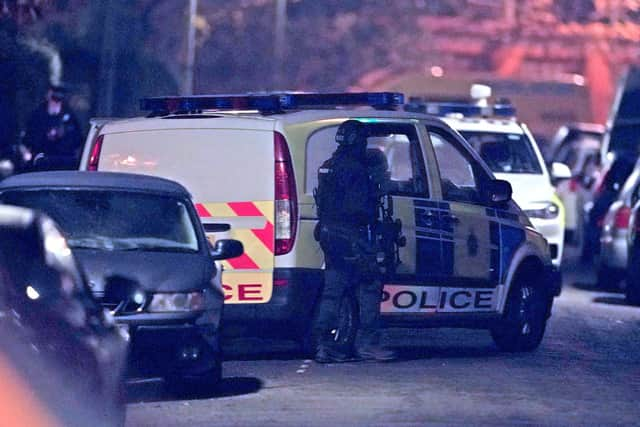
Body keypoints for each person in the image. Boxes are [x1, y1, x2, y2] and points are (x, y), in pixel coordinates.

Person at [313, 120, 397, 363]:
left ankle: (323, 345)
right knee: (370, 285)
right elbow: (360, 209)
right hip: (352, 235)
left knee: (333, 291)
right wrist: (376, 192)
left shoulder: (328, 166)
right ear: (356, 140)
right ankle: (367, 344)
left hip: (330, 235)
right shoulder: (356, 169)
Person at [23, 84, 82, 171]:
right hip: (42, 159)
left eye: (59, 98)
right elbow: (29, 139)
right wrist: (45, 136)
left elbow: (77, 138)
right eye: (54, 97)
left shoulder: (69, 116)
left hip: (64, 160)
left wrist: (63, 134)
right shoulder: (37, 116)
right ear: (48, 96)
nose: (56, 102)